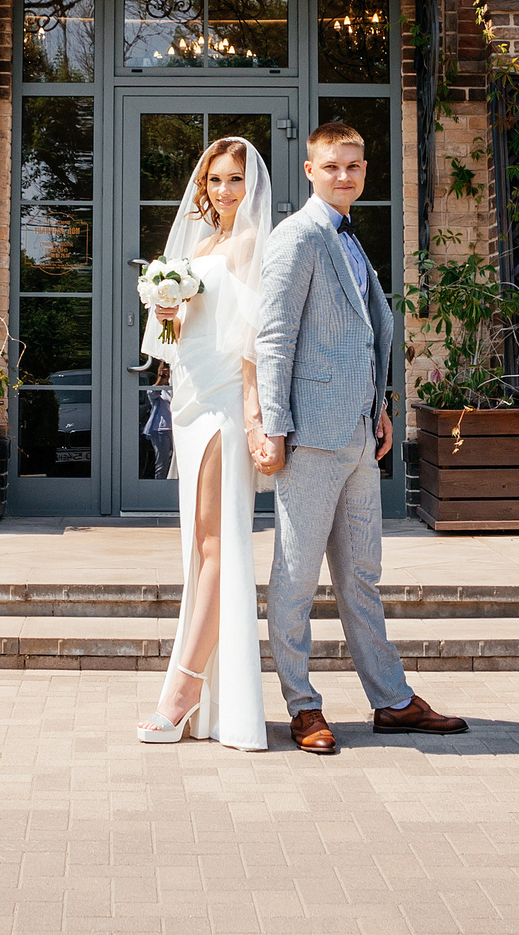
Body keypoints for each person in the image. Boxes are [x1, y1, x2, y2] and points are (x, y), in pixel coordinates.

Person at [250, 121, 469, 754]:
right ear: (310, 172)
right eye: (332, 166)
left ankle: (392, 701)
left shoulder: (351, 238)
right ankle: (302, 706)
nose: (344, 175)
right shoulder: (298, 237)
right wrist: (274, 427)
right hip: (311, 438)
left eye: (354, 165)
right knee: (295, 579)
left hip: (358, 436)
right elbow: (274, 339)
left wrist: (380, 407)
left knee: (361, 578)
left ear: (366, 170)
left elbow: (363, 337)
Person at [134, 137, 272, 750]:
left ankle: (184, 692)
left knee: (218, 543)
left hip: (223, 404)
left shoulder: (250, 244)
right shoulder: (202, 245)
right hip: (189, 399)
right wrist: (168, 309)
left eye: (235, 179)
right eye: (215, 180)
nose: (224, 190)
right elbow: (183, 332)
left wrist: (253, 410)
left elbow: (254, 334)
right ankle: (206, 701)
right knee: (197, 542)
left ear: (251, 184)